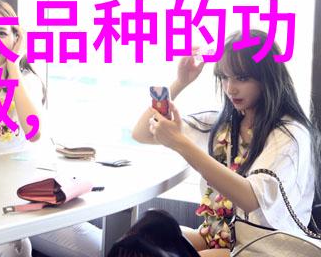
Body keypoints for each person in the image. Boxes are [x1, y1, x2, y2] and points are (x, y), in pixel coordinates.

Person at [132, 30, 320, 256]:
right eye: (224, 77)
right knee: (143, 243)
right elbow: (142, 133)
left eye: (242, 78)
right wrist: (180, 82)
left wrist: (180, 143)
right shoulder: (222, 124)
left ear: (266, 77)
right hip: (218, 236)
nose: (230, 88)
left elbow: (251, 198)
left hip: (264, 248)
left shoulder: (290, 134)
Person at [0, 0, 102, 257]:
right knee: (15, 250)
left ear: (16, 39)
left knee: (100, 248)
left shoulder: (27, 81)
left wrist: (13, 67)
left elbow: (33, 132)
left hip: (32, 197)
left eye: (1, 32)